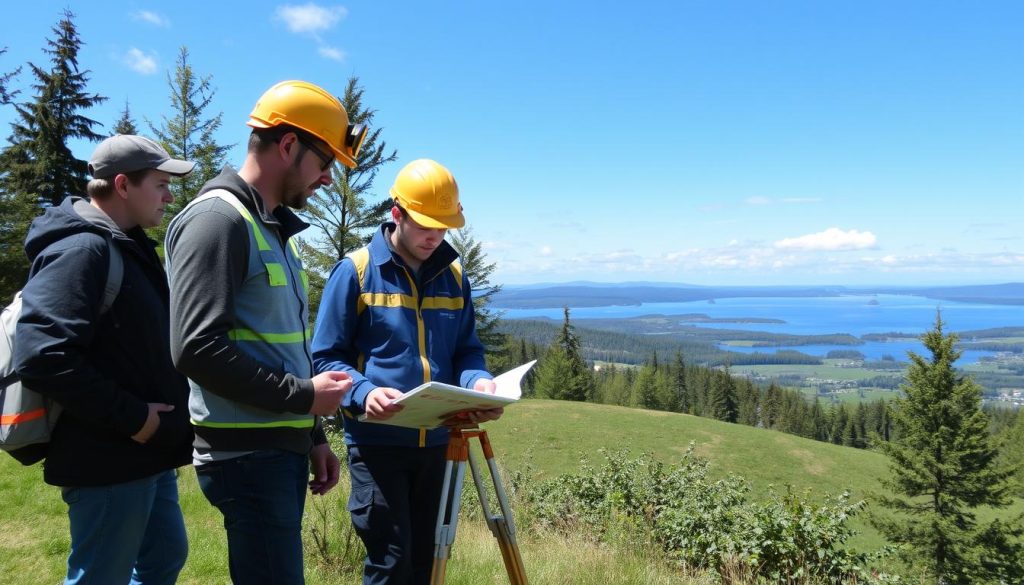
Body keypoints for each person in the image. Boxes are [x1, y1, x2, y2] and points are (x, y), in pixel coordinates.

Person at [164, 80, 363, 585]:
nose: (326, 180)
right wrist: (303, 398)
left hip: (274, 448)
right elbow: (195, 348)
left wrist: (311, 431)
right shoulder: (217, 221)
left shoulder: (268, 225)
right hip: (245, 458)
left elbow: (278, 346)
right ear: (289, 145)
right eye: (324, 163)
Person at [14, 134, 197, 585]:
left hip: (144, 456)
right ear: (122, 184)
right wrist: (136, 418)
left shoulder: (125, 246)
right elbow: (43, 354)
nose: (169, 196)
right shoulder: (82, 250)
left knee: (162, 559)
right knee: (101, 575)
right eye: (160, 184)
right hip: (108, 457)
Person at [311, 158, 503, 584]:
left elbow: (467, 351)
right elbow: (323, 358)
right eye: (425, 225)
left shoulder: (454, 277)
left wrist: (479, 383)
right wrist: (362, 392)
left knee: (427, 562)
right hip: (377, 445)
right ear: (397, 214)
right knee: (391, 562)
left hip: (440, 444)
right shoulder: (356, 271)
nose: (435, 236)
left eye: (444, 227)